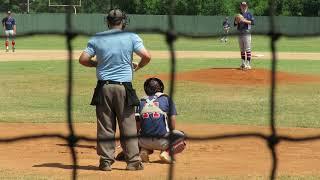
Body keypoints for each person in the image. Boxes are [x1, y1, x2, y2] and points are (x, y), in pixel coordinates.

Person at [79, 9, 151, 171]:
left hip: (103, 87)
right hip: (124, 87)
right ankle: (133, 162)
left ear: (108, 22)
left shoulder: (98, 37)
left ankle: (105, 161)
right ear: (123, 21)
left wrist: (96, 64)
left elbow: (83, 59)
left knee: (105, 126)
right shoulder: (131, 37)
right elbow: (146, 56)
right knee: (129, 125)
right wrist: (138, 67)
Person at [137, 78, 186, 164]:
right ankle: (166, 153)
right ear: (160, 87)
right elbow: (172, 121)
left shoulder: (141, 101)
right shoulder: (166, 99)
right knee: (182, 136)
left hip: (143, 142)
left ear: (146, 88)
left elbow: (137, 125)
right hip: (162, 141)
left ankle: (144, 151)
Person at [234, 2, 255, 70]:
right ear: (240, 6)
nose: (243, 7)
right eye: (242, 5)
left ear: (247, 6)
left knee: (247, 49)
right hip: (239, 32)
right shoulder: (238, 14)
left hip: (246, 32)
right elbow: (235, 24)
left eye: (245, 5)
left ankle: (248, 64)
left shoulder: (249, 14)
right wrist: (237, 21)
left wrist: (244, 20)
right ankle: (243, 63)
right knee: (242, 49)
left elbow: (252, 22)